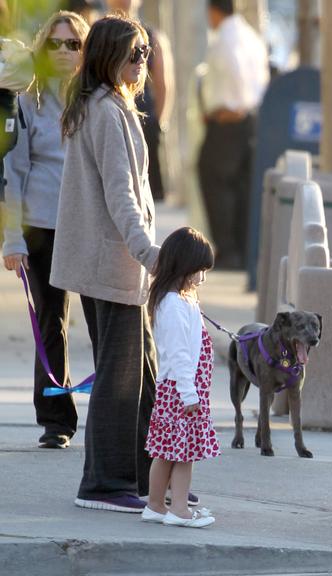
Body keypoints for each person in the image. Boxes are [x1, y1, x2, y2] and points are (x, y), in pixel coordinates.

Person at [51, 14, 159, 512]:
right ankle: (104, 484)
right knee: (120, 380)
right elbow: (122, 197)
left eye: (146, 52)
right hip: (111, 265)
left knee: (143, 374)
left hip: (118, 267)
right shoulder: (105, 111)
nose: (144, 62)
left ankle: (144, 478)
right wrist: (151, 254)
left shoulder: (107, 105)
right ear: (108, 57)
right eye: (135, 53)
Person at [2, 11, 90, 449]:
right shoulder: (26, 101)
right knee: (51, 322)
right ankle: (56, 419)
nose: (62, 51)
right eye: (54, 43)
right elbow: (13, 172)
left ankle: (120, 410)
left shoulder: (96, 100)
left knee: (104, 323)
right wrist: (13, 239)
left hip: (88, 227)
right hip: (42, 227)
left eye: (72, 43)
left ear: (85, 50)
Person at [142, 226, 219, 529]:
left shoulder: (181, 300)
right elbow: (179, 353)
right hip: (181, 391)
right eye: (200, 269)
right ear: (185, 266)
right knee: (183, 455)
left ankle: (156, 505)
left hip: (177, 389)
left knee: (165, 452)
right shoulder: (173, 305)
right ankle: (180, 510)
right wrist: (190, 394)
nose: (203, 276)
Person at [197, 0, 269, 270]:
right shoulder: (249, 34)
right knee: (240, 186)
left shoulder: (225, 38)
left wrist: (234, 107)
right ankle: (238, 249)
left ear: (214, 10)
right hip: (248, 119)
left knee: (217, 182)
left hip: (229, 120)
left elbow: (236, 74)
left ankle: (228, 251)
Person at [104, 0, 173, 202]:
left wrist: (159, 123)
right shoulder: (98, 32)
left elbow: (162, 84)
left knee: (145, 191)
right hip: (108, 114)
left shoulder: (152, 36)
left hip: (142, 117)